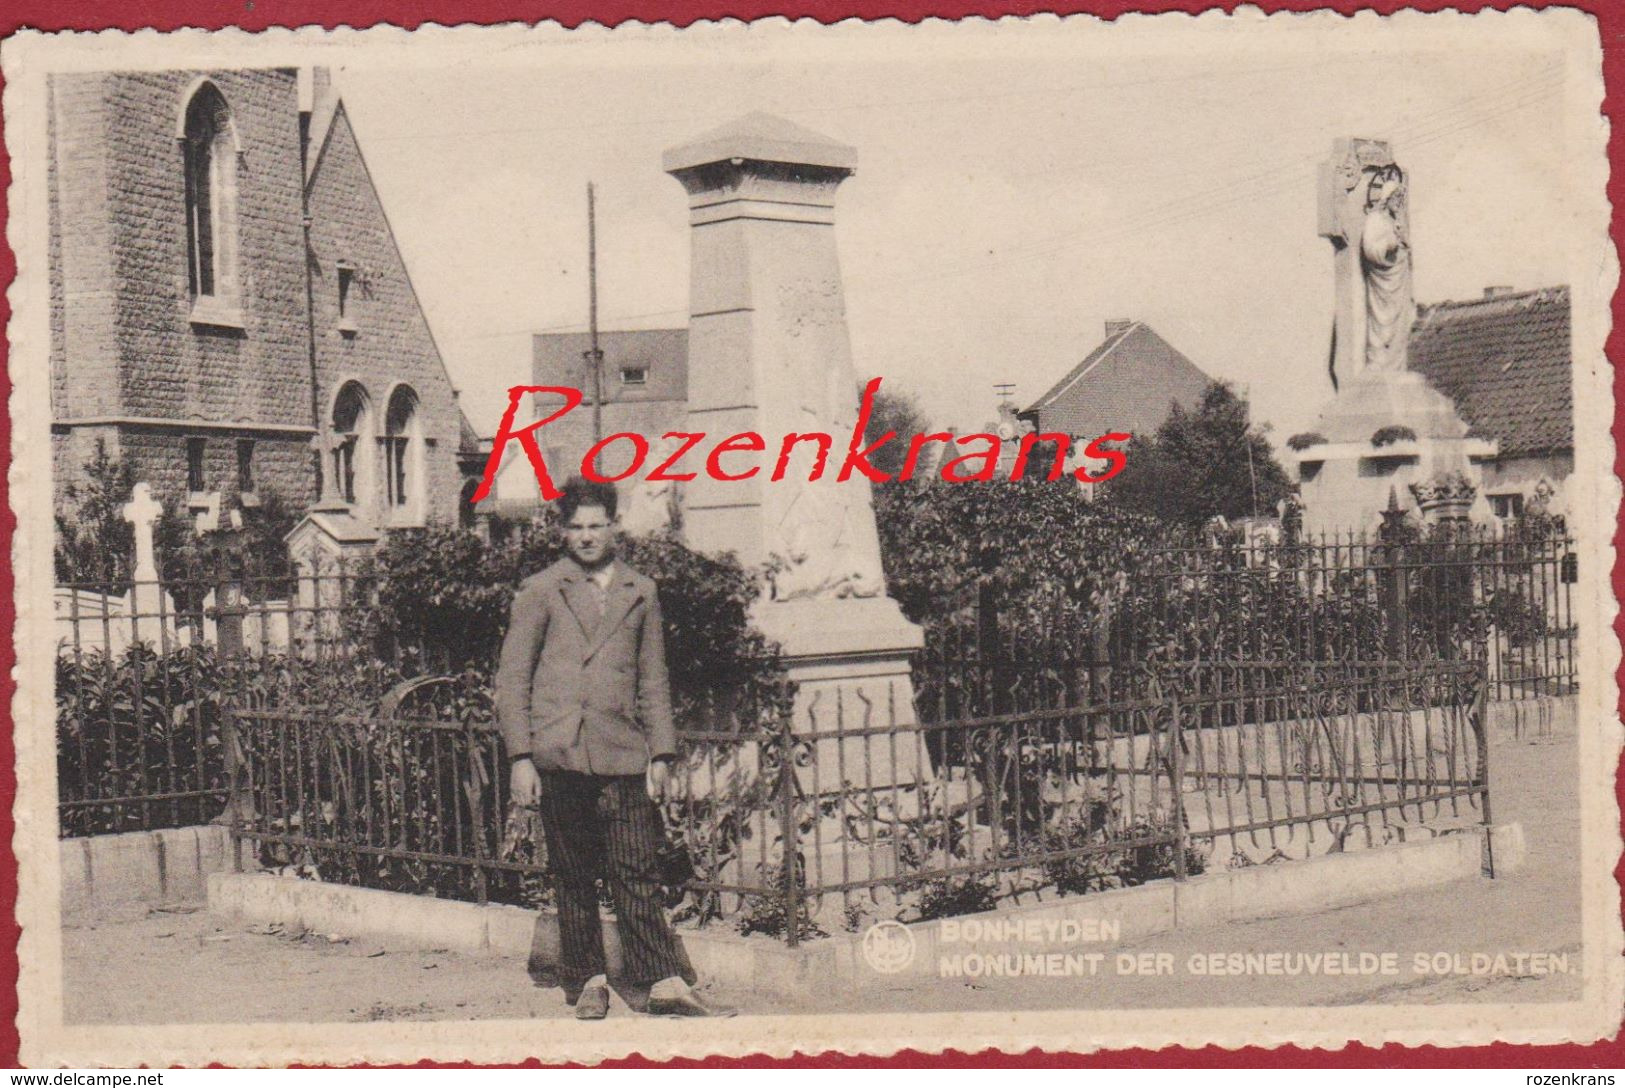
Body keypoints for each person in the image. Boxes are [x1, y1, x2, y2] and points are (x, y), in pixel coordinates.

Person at [495, 476, 734, 1020]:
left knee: (636, 870)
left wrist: (662, 753)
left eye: (595, 525)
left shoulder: (639, 590)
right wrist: (521, 757)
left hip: (622, 752)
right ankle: (587, 980)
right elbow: (513, 680)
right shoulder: (541, 590)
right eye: (575, 527)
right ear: (562, 530)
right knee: (574, 874)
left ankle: (663, 980)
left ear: (613, 526)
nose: (585, 536)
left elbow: (653, 677)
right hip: (561, 754)